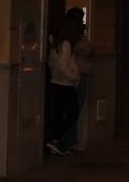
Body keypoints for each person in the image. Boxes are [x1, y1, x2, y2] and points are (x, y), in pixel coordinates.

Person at [47, 16, 82, 156]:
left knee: (60, 112)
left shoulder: (56, 44)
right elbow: (63, 67)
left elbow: (53, 64)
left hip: (57, 83)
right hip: (65, 84)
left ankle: (57, 141)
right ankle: (55, 137)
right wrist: (74, 76)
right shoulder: (65, 44)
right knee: (72, 112)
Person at [60, 8, 92, 152]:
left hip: (77, 75)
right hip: (74, 76)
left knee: (75, 109)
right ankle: (68, 140)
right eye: (81, 19)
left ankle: (69, 139)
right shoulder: (73, 39)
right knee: (74, 110)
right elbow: (88, 50)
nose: (82, 22)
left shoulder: (76, 37)